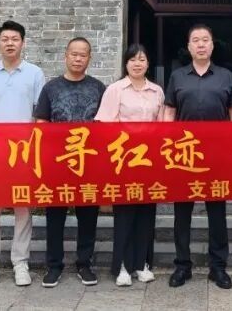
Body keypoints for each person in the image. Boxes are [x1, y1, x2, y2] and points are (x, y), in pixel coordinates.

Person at [163, 23, 232, 290]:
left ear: (212, 45)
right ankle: (182, 265)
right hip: (184, 154)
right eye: (195, 40)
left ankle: (218, 267)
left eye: (205, 39)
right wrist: (166, 144)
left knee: (217, 212)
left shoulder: (226, 76)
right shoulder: (177, 76)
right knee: (182, 212)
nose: (201, 44)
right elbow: (169, 112)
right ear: (189, 46)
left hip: (217, 154)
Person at [0, 20, 45, 289]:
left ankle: (20, 262)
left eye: (15, 39)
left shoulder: (35, 73)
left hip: (23, 151)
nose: (10, 43)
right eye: (5, 39)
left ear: (23, 43)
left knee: (22, 207)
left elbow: (39, 113)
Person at [35, 37, 107, 289]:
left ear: (89, 58)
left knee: (88, 216)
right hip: (58, 163)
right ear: (65, 56)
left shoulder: (99, 88)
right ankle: (54, 265)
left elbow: (106, 125)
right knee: (55, 216)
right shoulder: (51, 88)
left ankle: (84, 263)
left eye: (83, 55)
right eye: (74, 54)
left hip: (89, 162)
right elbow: (41, 123)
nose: (78, 58)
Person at [94, 43, 165, 287]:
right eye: (133, 59)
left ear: (148, 64)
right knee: (124, 214)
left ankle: (142, 264)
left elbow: (162, 127)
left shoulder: (157, 91)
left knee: (146, 213)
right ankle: (122, 266)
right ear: (126, 63)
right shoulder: (115, 90)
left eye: (142, 59)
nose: (137, 63)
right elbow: (104, 125)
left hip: (149, 161)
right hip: (123, 160)